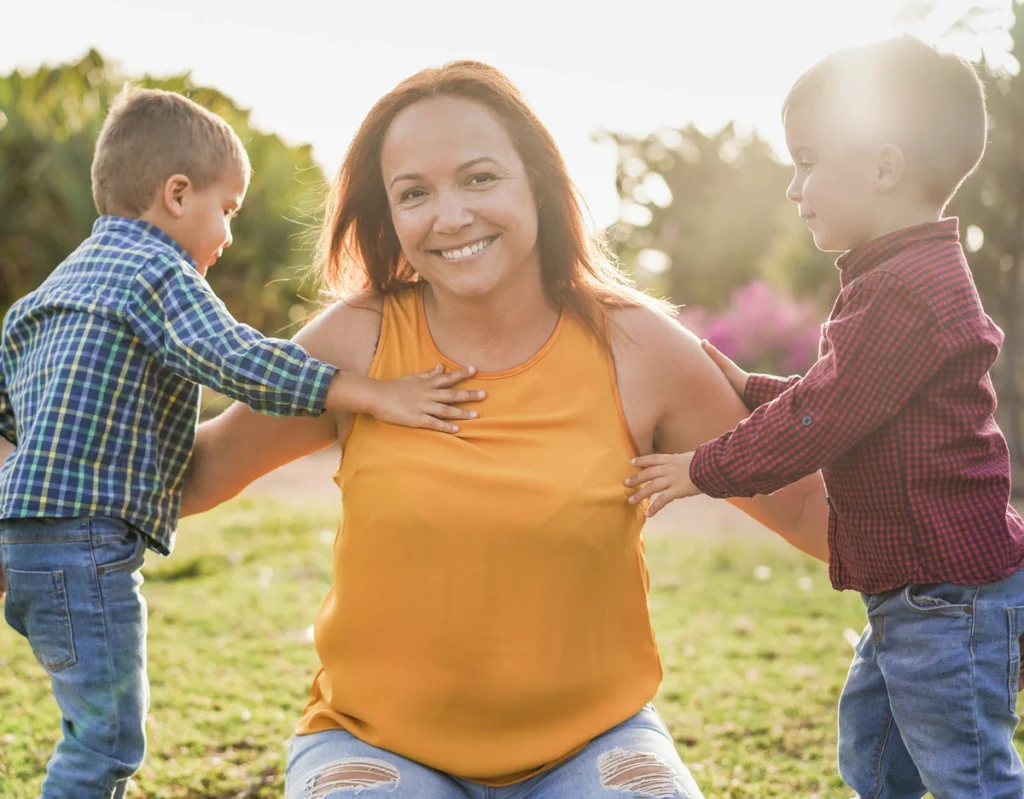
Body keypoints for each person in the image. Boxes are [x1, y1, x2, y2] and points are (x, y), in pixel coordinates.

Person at [182, 61, 828, 798]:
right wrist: (33, 471)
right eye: (414, 193)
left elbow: (805, 508)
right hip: (373, 742)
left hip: (594, 743)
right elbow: (204, 470)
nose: (449, 215)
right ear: (389, 215)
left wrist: (973, 555)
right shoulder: (355, 340)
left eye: (479, 178)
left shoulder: (640, 348)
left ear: (538, 184)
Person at [0, 86, 481, 799]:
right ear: (176, 194)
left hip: (29, 545)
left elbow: (9, 425)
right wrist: (377, 392)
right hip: (89, 548)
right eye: (225, 211)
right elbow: (239, 359)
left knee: (89, 725)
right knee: (105, 744)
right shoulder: (155, 270)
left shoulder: (44, 297)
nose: (226, 235)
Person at [627, 37, 1024, 798]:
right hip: (915, 592)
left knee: (971, 774)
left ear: (883, 166)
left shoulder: (904, 290)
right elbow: (845, 396)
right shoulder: (898, 276)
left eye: (807, 160)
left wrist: (701, 467)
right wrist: (751, 388)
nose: (792, 187)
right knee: (873, 754)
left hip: (946, 599)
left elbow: (825, 415)